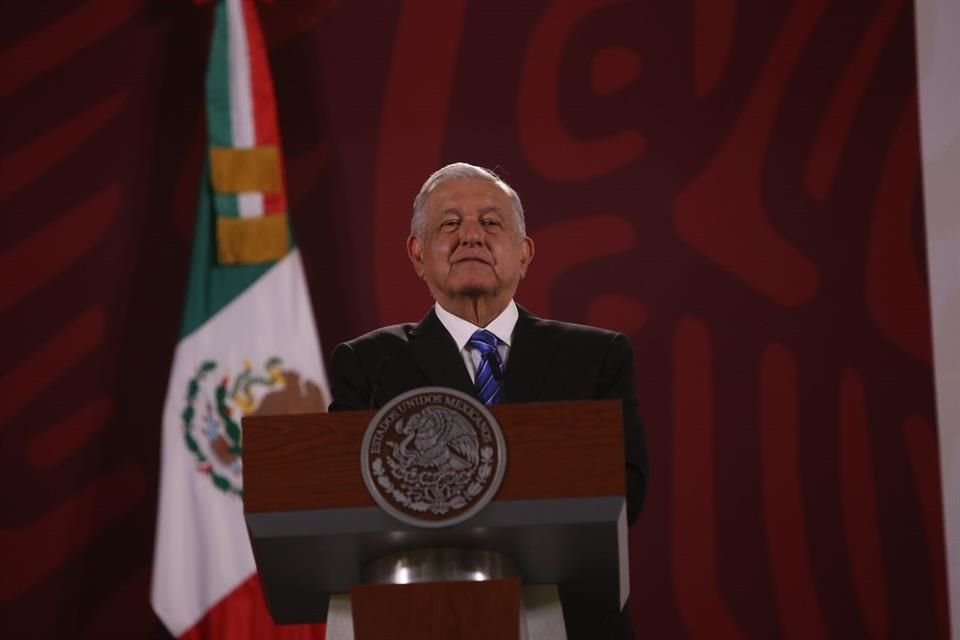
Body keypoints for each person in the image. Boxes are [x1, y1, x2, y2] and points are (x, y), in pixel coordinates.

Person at [328, 162, 647, 639]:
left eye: (491, 223)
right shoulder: (368, 364)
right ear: (418, 254)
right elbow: (344, 499)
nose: (471, 236)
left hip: (571, 615)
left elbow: (626, 491)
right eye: (450, 224)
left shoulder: (596, 357)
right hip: (420, 618)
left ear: (524, 253)